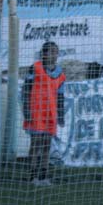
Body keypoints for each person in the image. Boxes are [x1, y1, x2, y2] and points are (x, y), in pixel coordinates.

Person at [23, 41, 65, 187]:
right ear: (44, 54)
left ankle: (44, 175)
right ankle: (32, 176)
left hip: (50, 113)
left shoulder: (60, 73)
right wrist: (26, 111)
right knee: (35, 144)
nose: (53, 55)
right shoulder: (35, 68)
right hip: (36, 112)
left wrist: (61, 115)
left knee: (47, 144)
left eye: (55, 52)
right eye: (50, 52)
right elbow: (26, 90)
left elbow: (60, 96)